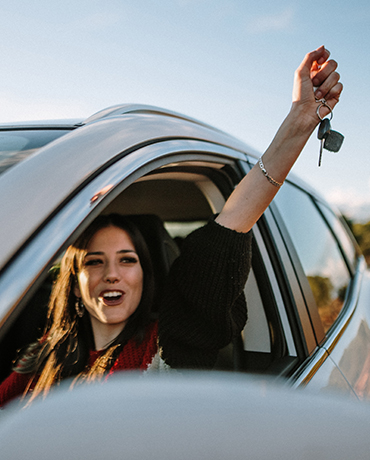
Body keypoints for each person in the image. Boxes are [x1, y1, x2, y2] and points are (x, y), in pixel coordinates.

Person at [0, 46, 342, 407]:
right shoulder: (42, 356)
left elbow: (228, 229)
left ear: (146, 273)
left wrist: (300, 122)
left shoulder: (168, 348)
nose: (112, 274)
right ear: (74, 279)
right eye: (94, 261)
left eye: (127, 260)